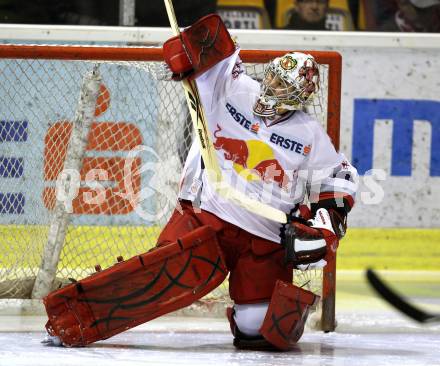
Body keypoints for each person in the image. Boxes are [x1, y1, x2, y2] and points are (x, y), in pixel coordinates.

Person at [42, 14, 358, 351]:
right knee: (159, 276)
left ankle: (245, 316)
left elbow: (340, 179)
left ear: (298, 96)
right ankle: (73, 315)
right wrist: (195, 47)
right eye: (273, 77)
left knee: (259, 329)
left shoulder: (309, 134)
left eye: (283, 85)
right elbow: (213, 53)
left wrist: (324, 226)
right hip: (207, 214)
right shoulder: (234, 87)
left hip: (265, 239)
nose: (272, 86)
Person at [284, 0, 355, 30]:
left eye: (321, 1)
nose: (314, 7)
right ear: (296, 6)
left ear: (327, 6)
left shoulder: (336, 40)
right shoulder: (278, 36)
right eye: (308, 1)